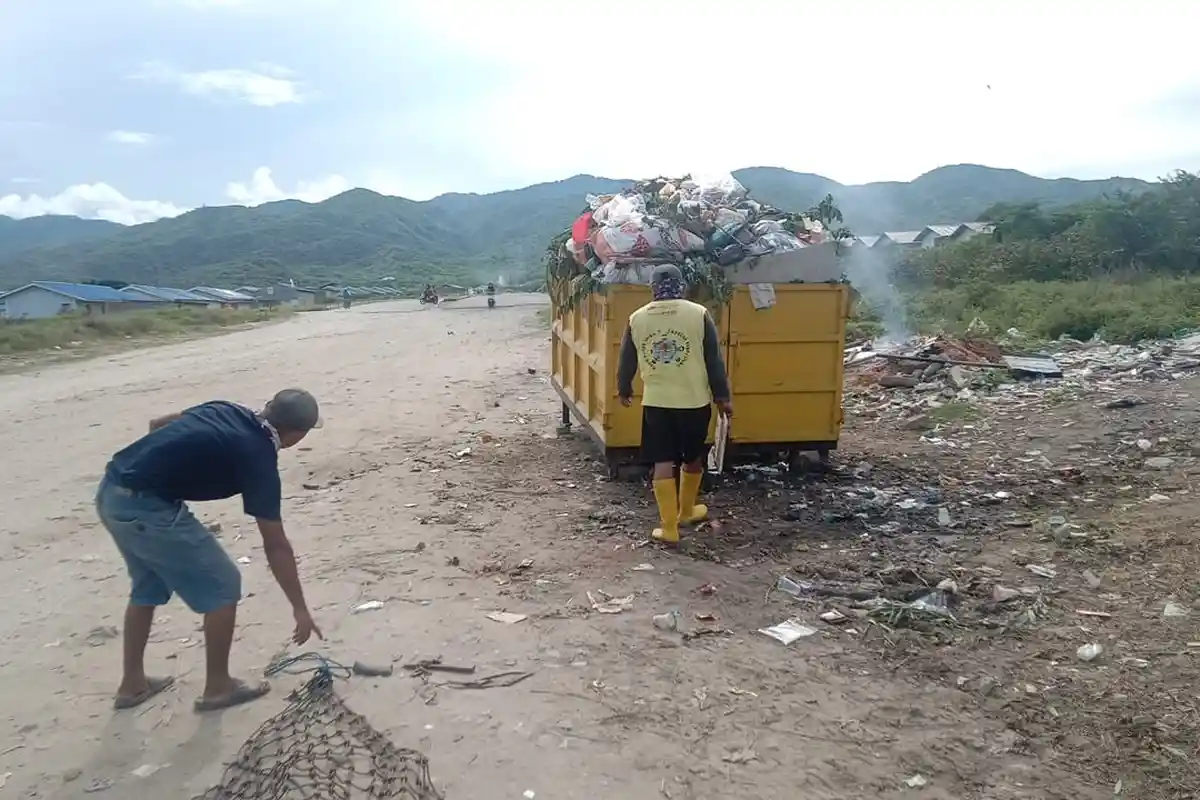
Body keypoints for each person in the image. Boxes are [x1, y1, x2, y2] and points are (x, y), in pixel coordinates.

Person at [95, 389, 324, 712]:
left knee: (148, 585)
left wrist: (168, 470)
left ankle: (132, 684)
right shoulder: (258, 458)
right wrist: (300, 608)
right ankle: (218, 687)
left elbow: (159, 424)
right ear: (297, 435)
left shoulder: (227, 408)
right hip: (147, 509)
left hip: (111, 493)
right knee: (224, 584)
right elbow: (276, 545)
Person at [617, 265, 733, 544]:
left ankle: (669, 528)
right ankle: (687, 511)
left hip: (657, 402)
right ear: (681, 285)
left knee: (662, 460)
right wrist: (723, 398)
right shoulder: (698, 314)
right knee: (693, 456)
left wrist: (624, 389)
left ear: (652, 286)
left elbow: (626, 361)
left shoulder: (637, 318)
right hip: (694, 401)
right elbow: (714, 361)